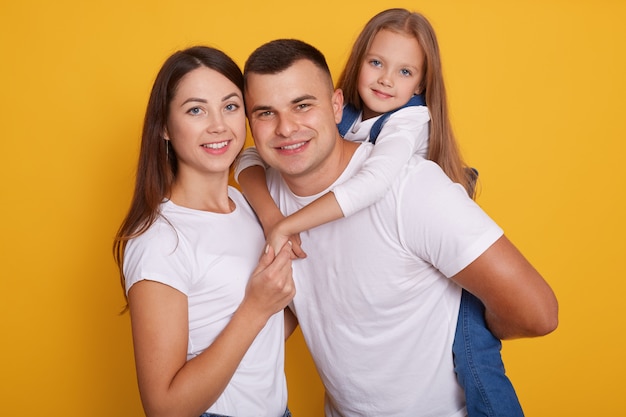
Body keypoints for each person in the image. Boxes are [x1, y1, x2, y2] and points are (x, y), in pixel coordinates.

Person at [242, 37, 558, 417]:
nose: (286, 127)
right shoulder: (263, 195)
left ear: (336, 104)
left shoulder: (411, 188)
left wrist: (467, 334)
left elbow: (537, 313)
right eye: (265, 113)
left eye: (302, 105)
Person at [112, 46, 295, 417]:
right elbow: (164, 408)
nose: (218, 125)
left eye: (230, 106)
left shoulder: (246, 204)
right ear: (163, 126)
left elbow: (264, 336)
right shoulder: (160, 240)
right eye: (196, 110)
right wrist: (256, 308)